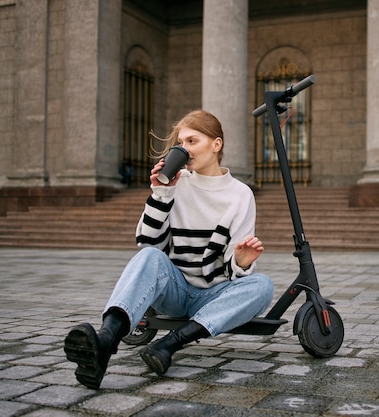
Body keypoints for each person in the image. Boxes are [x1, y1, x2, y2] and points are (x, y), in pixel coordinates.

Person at [64, 110, 275, 389]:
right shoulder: (177, 184)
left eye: (192, 141)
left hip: (213, 294)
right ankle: (104, 342)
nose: (184, 149)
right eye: (180, 142)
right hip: (175, 290)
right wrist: (161, 193)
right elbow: (149, 243)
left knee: (262, 286)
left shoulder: (240, 194)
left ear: (216, 144)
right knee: (149, 256)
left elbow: (234, 269)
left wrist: (241, 262)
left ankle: (168, 346)